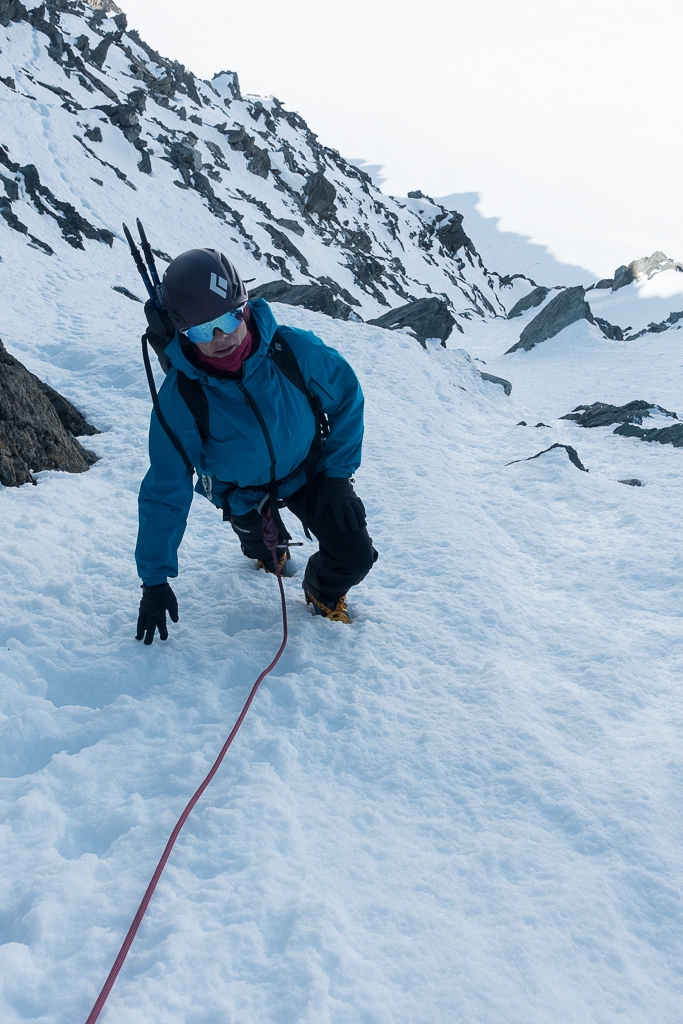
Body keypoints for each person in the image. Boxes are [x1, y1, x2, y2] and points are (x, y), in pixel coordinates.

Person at [134, 247, 377, 644]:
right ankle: (265, 547)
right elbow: (166, 487)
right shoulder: (182, 398)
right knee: (265, 546)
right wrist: (154, 578)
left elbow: (346, 397)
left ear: (245, 307)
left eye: (228, 318)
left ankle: (322, 589)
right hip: (241, 490)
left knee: (355, 555)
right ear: (182, 332)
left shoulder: (293, 351)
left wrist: (337, 475)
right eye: (201, 330)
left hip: (308, 471)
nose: (221, 337)